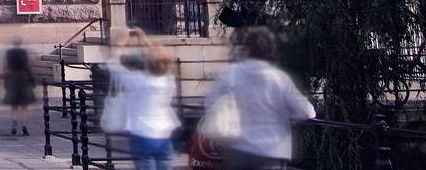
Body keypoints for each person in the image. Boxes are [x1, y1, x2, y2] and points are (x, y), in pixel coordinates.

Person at [205, 27, 315, 170]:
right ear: (271, 50)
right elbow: (303, 111)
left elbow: (210, 103)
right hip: (270, 150)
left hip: (237, 149)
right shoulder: (278, 78)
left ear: (246, 49)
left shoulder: (230, 74)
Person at [107, 30, 179, 170]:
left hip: (142, 133)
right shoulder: (168, 81)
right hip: (164, 135)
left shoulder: (137, 81)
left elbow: (114, 64)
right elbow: (157, 57)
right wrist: (145, 39)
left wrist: (121, 44)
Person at [2, 35, 36, 136]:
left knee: (14, 104)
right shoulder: (24, 52)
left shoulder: (8, 53)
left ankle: (14, 123)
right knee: (25, 105)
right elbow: (28, 66)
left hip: (12, 78)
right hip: (23, 77)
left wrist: (5, 80)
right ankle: (24, 125)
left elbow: (5, 67)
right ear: (20, 43)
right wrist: (31, 78)